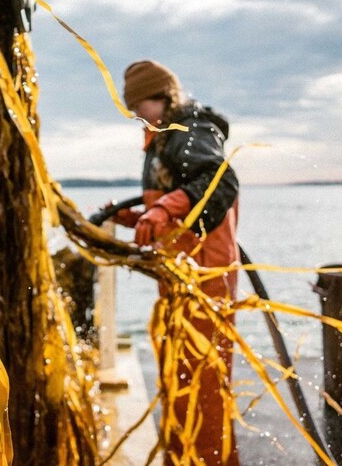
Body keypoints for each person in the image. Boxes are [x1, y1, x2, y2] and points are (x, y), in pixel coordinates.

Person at [109, 59, 240, 466]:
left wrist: (163, 209)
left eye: (140, 105)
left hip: (206, 276)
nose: (135, 114)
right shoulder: (162, 138)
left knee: (205, 381)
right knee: (177, 375)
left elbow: (219, 180)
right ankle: (180, 458)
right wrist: (136, 217)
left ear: (164, 97)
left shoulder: (191, 129)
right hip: (178, 275)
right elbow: (174, 201)